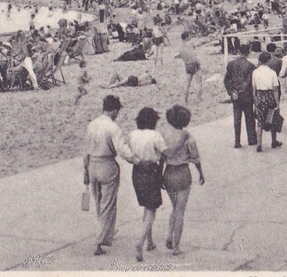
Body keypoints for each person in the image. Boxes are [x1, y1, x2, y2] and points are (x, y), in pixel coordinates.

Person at [82, 95, 139, 256]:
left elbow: (85, 151)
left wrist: (85, 171)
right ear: (114, 111)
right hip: (107, 165)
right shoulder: (113, 128)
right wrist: (136, 160)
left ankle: (105, 232)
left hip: (92, 164)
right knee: (109, 203)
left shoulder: (92, 125)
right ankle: (100, 240)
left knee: (99, 201)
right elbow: (122, 149)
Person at [161, 105, 204, 256]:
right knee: (180, 211)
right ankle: (176, 245)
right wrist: (201, 173)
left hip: (168, 173)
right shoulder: (188, 137)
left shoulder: (164, 135)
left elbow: (161, 156)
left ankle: (168, 235)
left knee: (174, 207)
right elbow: (195, 158)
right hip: (183, 173)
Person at [127, 107, 167, 262]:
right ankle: (141, 241)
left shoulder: (132, 135)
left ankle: (149, 241)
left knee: (146, 205)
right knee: (151, 208)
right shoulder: (155, 135)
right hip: (151, 171)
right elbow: (164, 153)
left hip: (137, 171)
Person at [223, 44, 257, 149]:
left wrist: (231, 91)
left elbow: (226, 80)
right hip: (246, 95)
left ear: (238, 51)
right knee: (249, 118)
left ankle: (237, 141)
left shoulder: (231, 64)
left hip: (235, 96)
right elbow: (249, 82)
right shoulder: (250, 66)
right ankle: (251, 139)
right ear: (248, 52)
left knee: (237, 119)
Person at [252, 51, 282, 152]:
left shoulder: (255, 72)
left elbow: (254, 88)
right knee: (272, 118)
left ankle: (259, 144)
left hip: (260, 96)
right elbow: (275, 89)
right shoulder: (272, 73)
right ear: (268, 61)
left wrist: (255, 102)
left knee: (259, 121)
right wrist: (277, 102)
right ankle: (274, 141)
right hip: (269, 96)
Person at [176, 32, 203, 104]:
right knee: (199, 82)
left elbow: (179, 55)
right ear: (187, 37)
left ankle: (185, 100)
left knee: (187, 84)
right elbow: (199, 43)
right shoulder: (190, 43)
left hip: (187, 65)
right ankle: (198, 99)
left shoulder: (180, 46)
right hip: (194, 63)